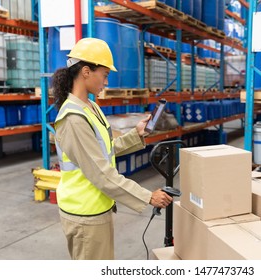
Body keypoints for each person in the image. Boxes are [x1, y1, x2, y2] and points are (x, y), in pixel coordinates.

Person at [52, 38, 172, 260]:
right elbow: (100, 173)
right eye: (105, 74)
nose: (106, 81)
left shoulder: (90, 107)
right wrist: (147, 196)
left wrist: (136, 135)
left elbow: (104, 149)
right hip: (85, 213)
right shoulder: (73, 118)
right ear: (86, 71)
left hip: (97, 207)